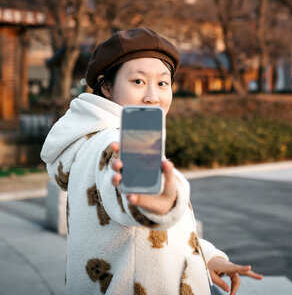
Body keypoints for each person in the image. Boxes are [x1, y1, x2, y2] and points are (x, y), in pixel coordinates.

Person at [40, 27, 262, 294]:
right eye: (138, 82)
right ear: (107, 86)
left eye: (162, 83)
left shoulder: (90, 139)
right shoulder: (117, 143)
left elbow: (143, 238)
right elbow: (133, 202)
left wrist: (204, 257)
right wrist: (158, 203)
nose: (152, 96)